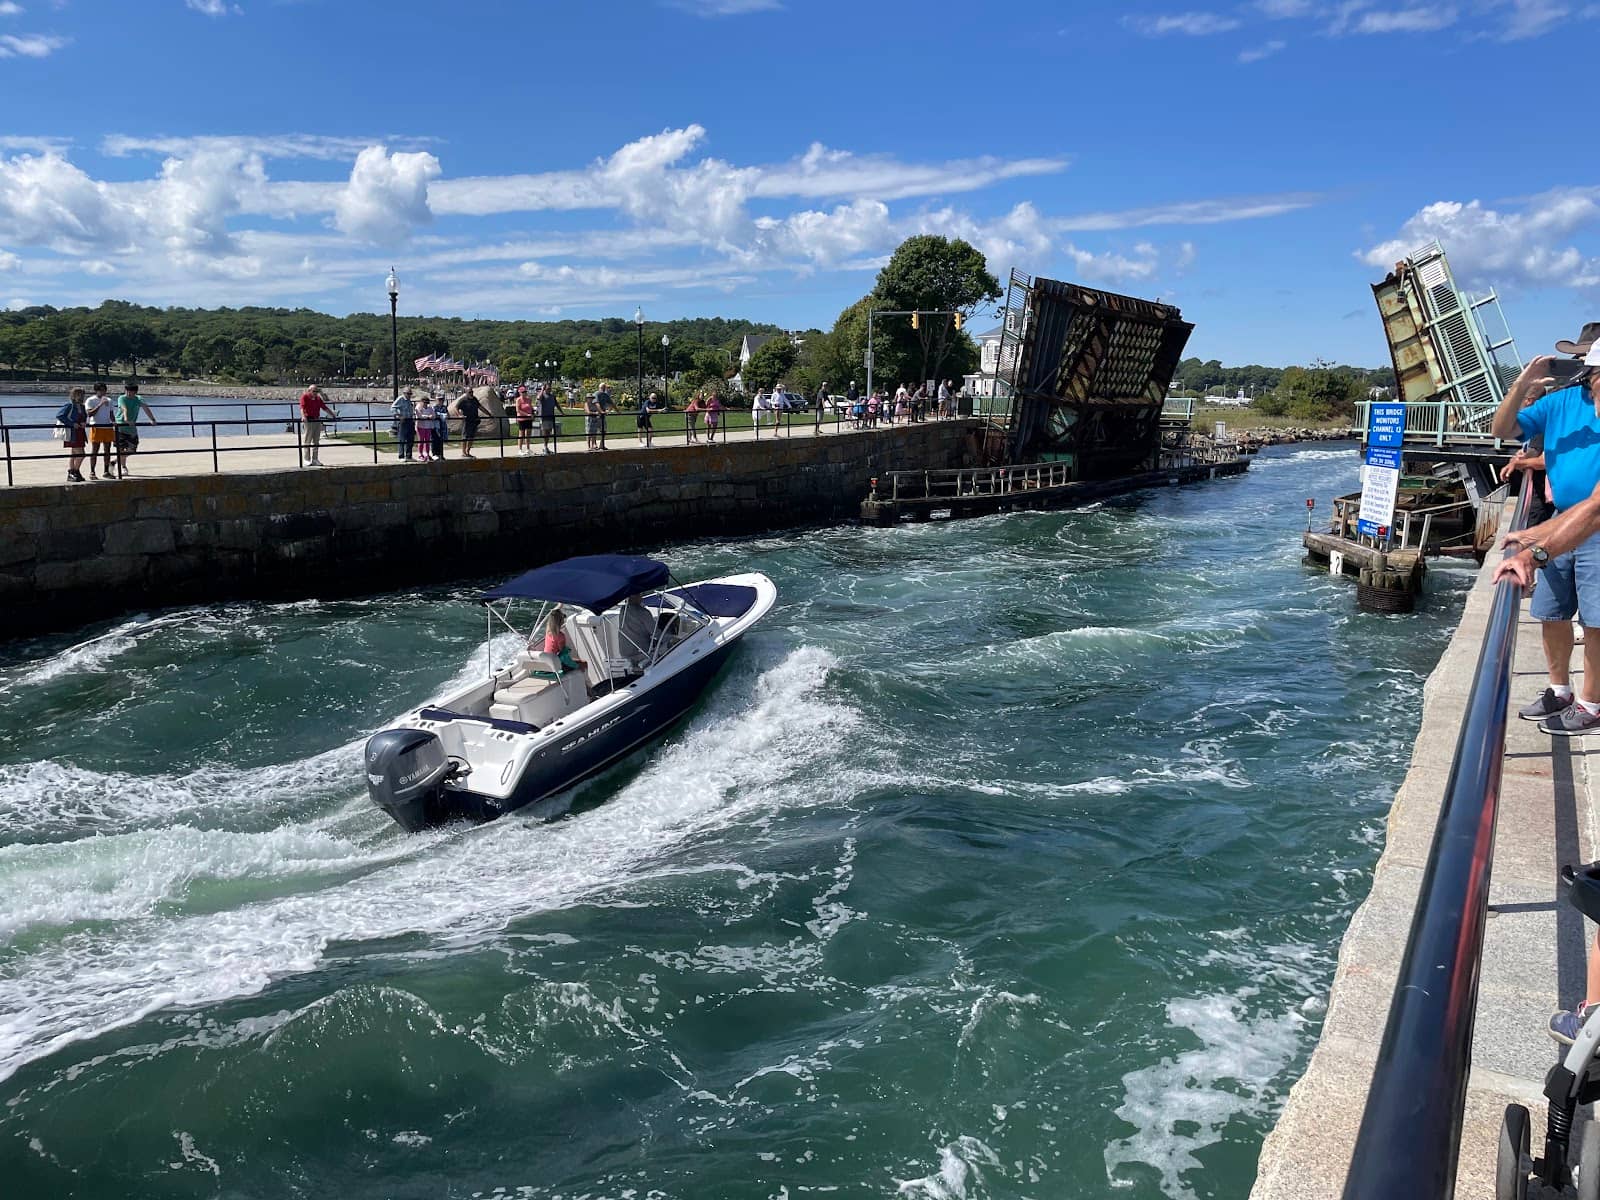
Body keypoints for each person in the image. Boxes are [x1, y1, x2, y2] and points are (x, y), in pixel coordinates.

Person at [1488, 324, 1600, 736]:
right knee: (1552, 612)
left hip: (1590, 528)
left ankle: (1591, 704)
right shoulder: (1561, 403)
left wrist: (1536, 548)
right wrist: (1521, 385)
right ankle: (1560, 690)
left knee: (1596, 621)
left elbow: (1597, 508)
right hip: (1566, 517)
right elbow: (1502, 430)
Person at [113, 380, 157, 477]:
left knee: (132, 449)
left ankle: (114, 462)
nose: (128, 393)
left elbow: (146, 408)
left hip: (132, 427)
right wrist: (126, 419)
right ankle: (123, 467)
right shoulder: (122, 398)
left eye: (131, 391)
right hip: (120, 426)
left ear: (135, 392)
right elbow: (124, 408)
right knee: (121, 448)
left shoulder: (139, 399)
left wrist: (152, 419)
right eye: (127, 391)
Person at [299, 382, 336, 467]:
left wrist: (332, 415)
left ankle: (315, 459)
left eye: (317, 391)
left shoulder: (318, 399)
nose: (315, 393)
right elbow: (302, 408)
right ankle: (306, 459)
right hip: (309, 420)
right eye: (314, 391)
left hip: (317, 420)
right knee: (307, 440)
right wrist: (303, 416)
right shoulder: (305, 397)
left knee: (316, 441)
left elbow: (324, 408)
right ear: (309, 391)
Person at [542, 609, 587, 675]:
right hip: (554, 666)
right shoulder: (560, 636)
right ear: (561, 622)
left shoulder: (548, 633)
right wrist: (577, 666)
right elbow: (564, 657)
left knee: (576, 661)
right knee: (584, 663)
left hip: (546, 664)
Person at [85, 381, 114, 480]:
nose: (103, 392)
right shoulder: (90, 400)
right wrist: (100, 404)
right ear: (96, 391)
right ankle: (92, 471)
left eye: (104, 390)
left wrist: (114, 422)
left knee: (107, 450)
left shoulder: (109, 400)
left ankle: (106, 471)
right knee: (95, 450)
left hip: (108, 427)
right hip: (96, 426)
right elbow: (89, 414)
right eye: (101, 390)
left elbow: (111, 414)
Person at [59, 386, 88, 483]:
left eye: (82, 394)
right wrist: (72, 423)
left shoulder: (82, 406)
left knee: (74, 454)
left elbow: (84, 417)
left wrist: (84, 422)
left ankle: (74, 472)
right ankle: (74, 471)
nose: (80, 397)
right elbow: (60, 415)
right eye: (78, 394)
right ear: (73, 395)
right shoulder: (69, 405)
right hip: (72, 433)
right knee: (81, 454)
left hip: (80, 432)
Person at [457, 387, 482, 458]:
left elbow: (480, 407)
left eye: (472, 392)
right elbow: (456, 407)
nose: (471, 393)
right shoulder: (463, 400)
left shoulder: (474, 399)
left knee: (471, 437)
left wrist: (489, 414)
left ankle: (468, 451)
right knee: (465, 437)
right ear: (466, 393)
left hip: (474, 420)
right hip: (466, 421)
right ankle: (463, 452)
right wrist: (459, 415)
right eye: (470, 392)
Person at [537, 382, 562, 454]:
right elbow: (538, 398)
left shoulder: (552, 396)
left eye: (550, 388)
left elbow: (557, 404)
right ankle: (545, 447)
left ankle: (546, 447)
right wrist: (542, 390)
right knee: (545, 431)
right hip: (544, 416)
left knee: (549, 432)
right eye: (548, 388)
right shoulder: (542, 395)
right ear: (545, 388)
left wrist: (562, 412)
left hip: (551, 416)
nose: (549, 390)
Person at [391, 388, 416, 461]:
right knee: (401, 439)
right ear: (404, 393)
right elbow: (393, 408)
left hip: (410, 420)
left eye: (410, 394)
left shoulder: (409, 401)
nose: (409, 395)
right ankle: (401, 456)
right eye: (408, 394)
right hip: (403, 421)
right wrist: (399, 416)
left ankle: (409, 456)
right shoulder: (400, 399)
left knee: (410, 439)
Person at [515, 386, 535, 456]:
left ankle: (528, 449)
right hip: (522, 419)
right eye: (523, 392)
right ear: (520, 393)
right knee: (521, 434)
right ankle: (520, 449)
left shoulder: (529, 399)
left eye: (525, 392)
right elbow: (518, 410)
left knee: (528, 434)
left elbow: (531, 407)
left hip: (529, 419)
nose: (524, 393)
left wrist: (532, 414)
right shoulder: (518, 400)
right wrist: (527, 414)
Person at [416, 396, 437, 462]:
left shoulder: (430, 408)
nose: (425, 404)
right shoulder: (418, 407)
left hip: (428, 426)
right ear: (421, 402)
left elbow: (434, 415)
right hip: (420, 426)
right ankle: (420, 454)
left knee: (427, 441)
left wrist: (431, 416)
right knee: (421, 441)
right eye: (424, 402)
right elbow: (420, 416)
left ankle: (427, 454)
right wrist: (427, 416)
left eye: (427, 403)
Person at [596, 382, 614, 449]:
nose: (603, 389)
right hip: (596, 415)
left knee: (604, 430)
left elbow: (612, 403)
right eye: (602, 388)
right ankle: (593, 445)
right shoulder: (596, 394)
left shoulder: (605, 395)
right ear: (599, 388)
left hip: (602, 416)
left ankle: (602, 445)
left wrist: (618, 411)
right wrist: (601, 411)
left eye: (604, 388)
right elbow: (597, 404)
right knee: (593, 431)